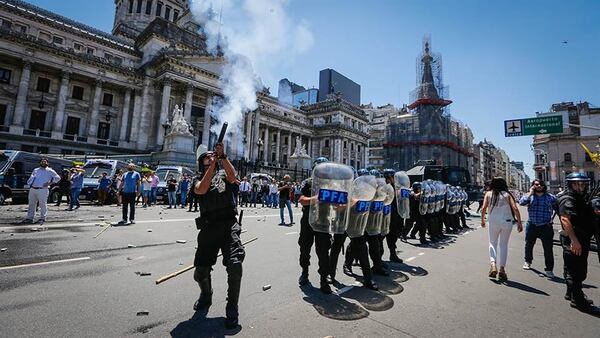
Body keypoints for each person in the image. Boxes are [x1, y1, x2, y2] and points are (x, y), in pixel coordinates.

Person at [193, 143, 244, 329]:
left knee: (235, 264)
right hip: (209, 227)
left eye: (211, 157)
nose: (210, 160)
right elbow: (202, 190)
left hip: (229, 224)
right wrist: (212, 168)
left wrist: (223, 158)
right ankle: (206, 294)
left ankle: (232, 308)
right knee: (200, 272)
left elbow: (233, 176)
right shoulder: (197, 179)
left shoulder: (224, 174)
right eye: (206, 159)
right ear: (201, 163)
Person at [557, 173, 599, 313]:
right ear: (570, 185)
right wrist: (574, 241)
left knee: (573, 269)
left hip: (582, 238)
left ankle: (571, 294)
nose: (580, 186)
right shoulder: (568, 199)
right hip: (574, 239)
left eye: (582, 183)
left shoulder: (580, 198)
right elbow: (565, 220)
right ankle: (578, 301)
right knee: (577, 272)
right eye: (576, 184)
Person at [298, 157, 333, 294]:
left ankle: (324, 278)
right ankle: (304, 272)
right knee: (305, 248)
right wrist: (317, 198)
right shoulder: (308, 183)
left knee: (324, 251)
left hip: (324, 221)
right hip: (308, 220)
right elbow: (302, 200)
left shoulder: (332, 186)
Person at [480, 177, 523, 281]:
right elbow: (515, 208)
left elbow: (483, 208)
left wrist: (482, 220)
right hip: (507, 222)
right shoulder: (507, 195)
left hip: (493, 222)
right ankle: (502, 269)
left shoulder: (489, 194)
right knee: (504, 245)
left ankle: (493, 264)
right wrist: (519, 222)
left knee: (492, 243)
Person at [519, 179, 556, 278]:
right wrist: (530, 193)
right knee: (529, 245)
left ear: (544, 186)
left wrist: (552, 219)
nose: (539, 186)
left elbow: (558, 208)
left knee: (548, 249)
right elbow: (521, 202)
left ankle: (549, 269)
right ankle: (528, 261)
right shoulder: (529, 196)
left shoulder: (551, 197)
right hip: (532, 225)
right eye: (536, 184)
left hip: (546, 226)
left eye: (540, 184)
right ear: (533, 186)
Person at [22, 157, 60, 225]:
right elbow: (32, 178)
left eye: (45, 162)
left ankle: (42, 218)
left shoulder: (50, 170)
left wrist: (49, 183)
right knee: (31, 204)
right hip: (33, 188)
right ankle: (30, 218)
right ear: (40, 162)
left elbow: (58, 178)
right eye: (42, 161)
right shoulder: (36, 170)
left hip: (43, 189)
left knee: (42, 204)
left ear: (47, 163)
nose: (43, 163)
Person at [380, 169, 403, 263]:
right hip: (383, 216)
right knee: (379, 238)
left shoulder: (397, 187)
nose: (394, 179)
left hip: (394, 215)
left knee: (393, 236)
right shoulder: (382, 188)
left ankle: (393, 255)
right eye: (393, 177)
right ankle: (378, 259)